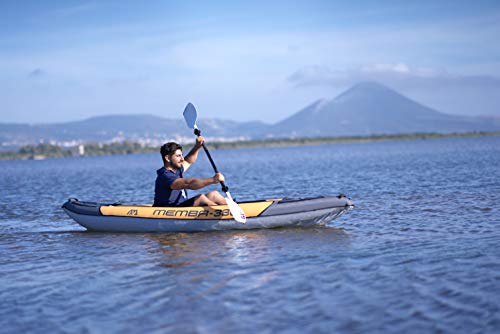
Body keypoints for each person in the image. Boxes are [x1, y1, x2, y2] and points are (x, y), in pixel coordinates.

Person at [153, 136, 228, 207]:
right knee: (200, 198)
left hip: (182, 205)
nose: (182, 159)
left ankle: (232, 208)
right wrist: (213, 180)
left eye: (182, 155)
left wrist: (197, 146)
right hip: (170, 209)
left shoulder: (176, 169)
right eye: (178, 156)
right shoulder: (165, 176)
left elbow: (188, 161)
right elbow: (188, 183)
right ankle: (222, 214)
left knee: (214, 195)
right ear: (168, 158)